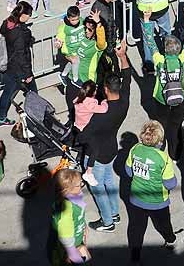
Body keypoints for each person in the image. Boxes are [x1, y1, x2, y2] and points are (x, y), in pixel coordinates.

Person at [76, 40, 131, 232]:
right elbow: (128, 76)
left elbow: (83, 138)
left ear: (106, 89)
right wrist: (122, 56)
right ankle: (115, 212)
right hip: (112, 149)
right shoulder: (124, 102)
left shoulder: (99, 116)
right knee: (109, 182)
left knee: (99, 190)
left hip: (98, 155)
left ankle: (107, 222)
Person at [141, 3, 184, 158]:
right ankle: (174, 152)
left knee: (161, 126)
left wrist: (146, 20)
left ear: (165, 50)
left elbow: (149, 41)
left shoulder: (158, 60)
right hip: (180, 98)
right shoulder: (183, 59)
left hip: (160, 99)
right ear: (178, 49)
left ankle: (160, 147)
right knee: (175, 127)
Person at [124, 120, 179, 263]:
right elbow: (170, 183)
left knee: (136, 228)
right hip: (157, 201)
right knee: (164, 223)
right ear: (159, 139)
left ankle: (135, 258)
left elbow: (129, 171)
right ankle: (170, 239)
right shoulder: (163, 158)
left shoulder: (135, 149)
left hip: (136, 198)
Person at [0, 1, 35, 125]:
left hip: (10, 66)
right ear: (22, 15)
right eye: (29, 14)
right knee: (33, 91)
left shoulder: (8, 23)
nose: (30, 17)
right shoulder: (19, 33)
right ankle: (36, 115)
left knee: (7, 92)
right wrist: (28, 74)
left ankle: (1, 117)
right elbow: (21, 55)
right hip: (19, 68)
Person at [50, 168, 91, 264]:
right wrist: (73, 254)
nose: (82, 185)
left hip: (78, 237)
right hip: (72, 246)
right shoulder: (66, 211)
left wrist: (84, 225)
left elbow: (78, 215)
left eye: (81, 182)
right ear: (67, 189)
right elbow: (66, 237)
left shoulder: (75, 198)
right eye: (79, 184)